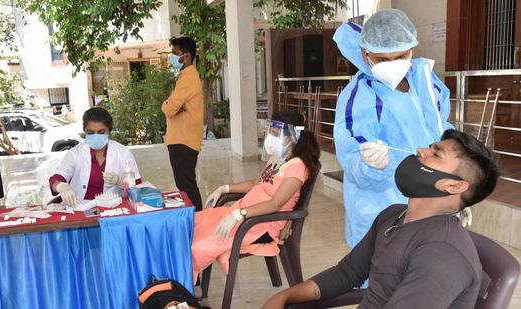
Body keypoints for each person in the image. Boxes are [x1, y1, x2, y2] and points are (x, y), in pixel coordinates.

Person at [262, 129, 499, 309]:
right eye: (430, 146)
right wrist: (284, 297)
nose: (420, 150)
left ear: (453, 185)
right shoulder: (393, 215)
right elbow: (347, 274)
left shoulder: (442, 255)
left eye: (435, 153)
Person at [333, 9, 455, 248]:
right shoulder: (359, 95)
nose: (392, 65)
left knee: (423, 269)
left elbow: (443, 133)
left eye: (399, 57)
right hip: (381, 206)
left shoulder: (428, 85)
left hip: (428, 201)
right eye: (382, 59)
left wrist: (455, 193)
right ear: (365, 53)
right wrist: (372, 165)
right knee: (379, 274)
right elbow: (351, 152)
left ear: (411, 50)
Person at [192, 111, 320, 284]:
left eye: (277, 133)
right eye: (271, 131)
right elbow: (255, 183)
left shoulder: (297, 167)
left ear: (292, 136)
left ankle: (188, 288)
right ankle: (190, 282)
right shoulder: (278, 158)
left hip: (261, 225)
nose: (271, 137)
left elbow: (275, 204)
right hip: (246, 214)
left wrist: (239, 214)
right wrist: (224, 189)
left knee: (198, 245)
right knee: (193, 225)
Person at [49, 107, 141, 207]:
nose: (96, 136)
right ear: (84, 131)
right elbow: (56, 179)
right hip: (80, 207)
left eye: (101, 132)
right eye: (90, 133)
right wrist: (61, 186)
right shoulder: (75, 153)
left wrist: (120, 181)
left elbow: (138, 187)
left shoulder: (123, 152)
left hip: (114, 207)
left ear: (109, 131)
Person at [162, 36, 204, 211]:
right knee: (185, 184)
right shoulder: (185, 76)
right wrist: (171, 105)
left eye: (174, 53)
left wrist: (166, 105)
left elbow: (169, 109)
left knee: (186, 186)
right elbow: (173, 107)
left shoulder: (188, 78)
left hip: (183, 141)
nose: (171, 57)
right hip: (181, 140)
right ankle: (196, 218)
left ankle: (198, 219)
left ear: (186, 56)